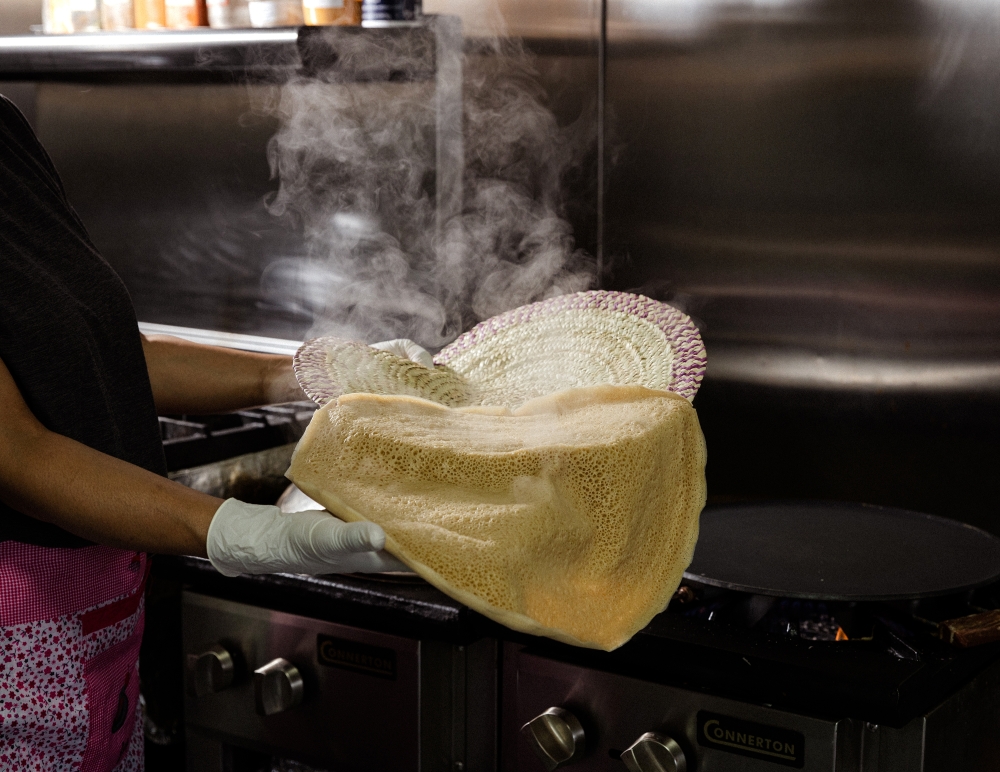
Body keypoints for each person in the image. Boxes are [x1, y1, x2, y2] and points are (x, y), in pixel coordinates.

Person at [0, 93, 417, 770]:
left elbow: (102, 351)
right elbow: (16, 455)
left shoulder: (6, 135)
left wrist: (306, 374)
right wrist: (244, 531)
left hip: (97, 648)